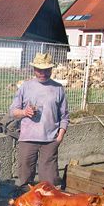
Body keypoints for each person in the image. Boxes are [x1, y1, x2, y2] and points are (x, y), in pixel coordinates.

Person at [9, 52, 69, 186]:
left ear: (51, 69)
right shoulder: (25, 87)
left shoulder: (58, 89)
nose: (43, 73)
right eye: (39, 70)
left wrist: (59, 137)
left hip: (50, 140)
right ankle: (28, 205)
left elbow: (64, 117)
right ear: (34, 69)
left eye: (47, 70)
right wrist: (25, 112)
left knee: (49, 183)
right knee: (25, 179)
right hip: (28, 139)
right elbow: (13, 111)